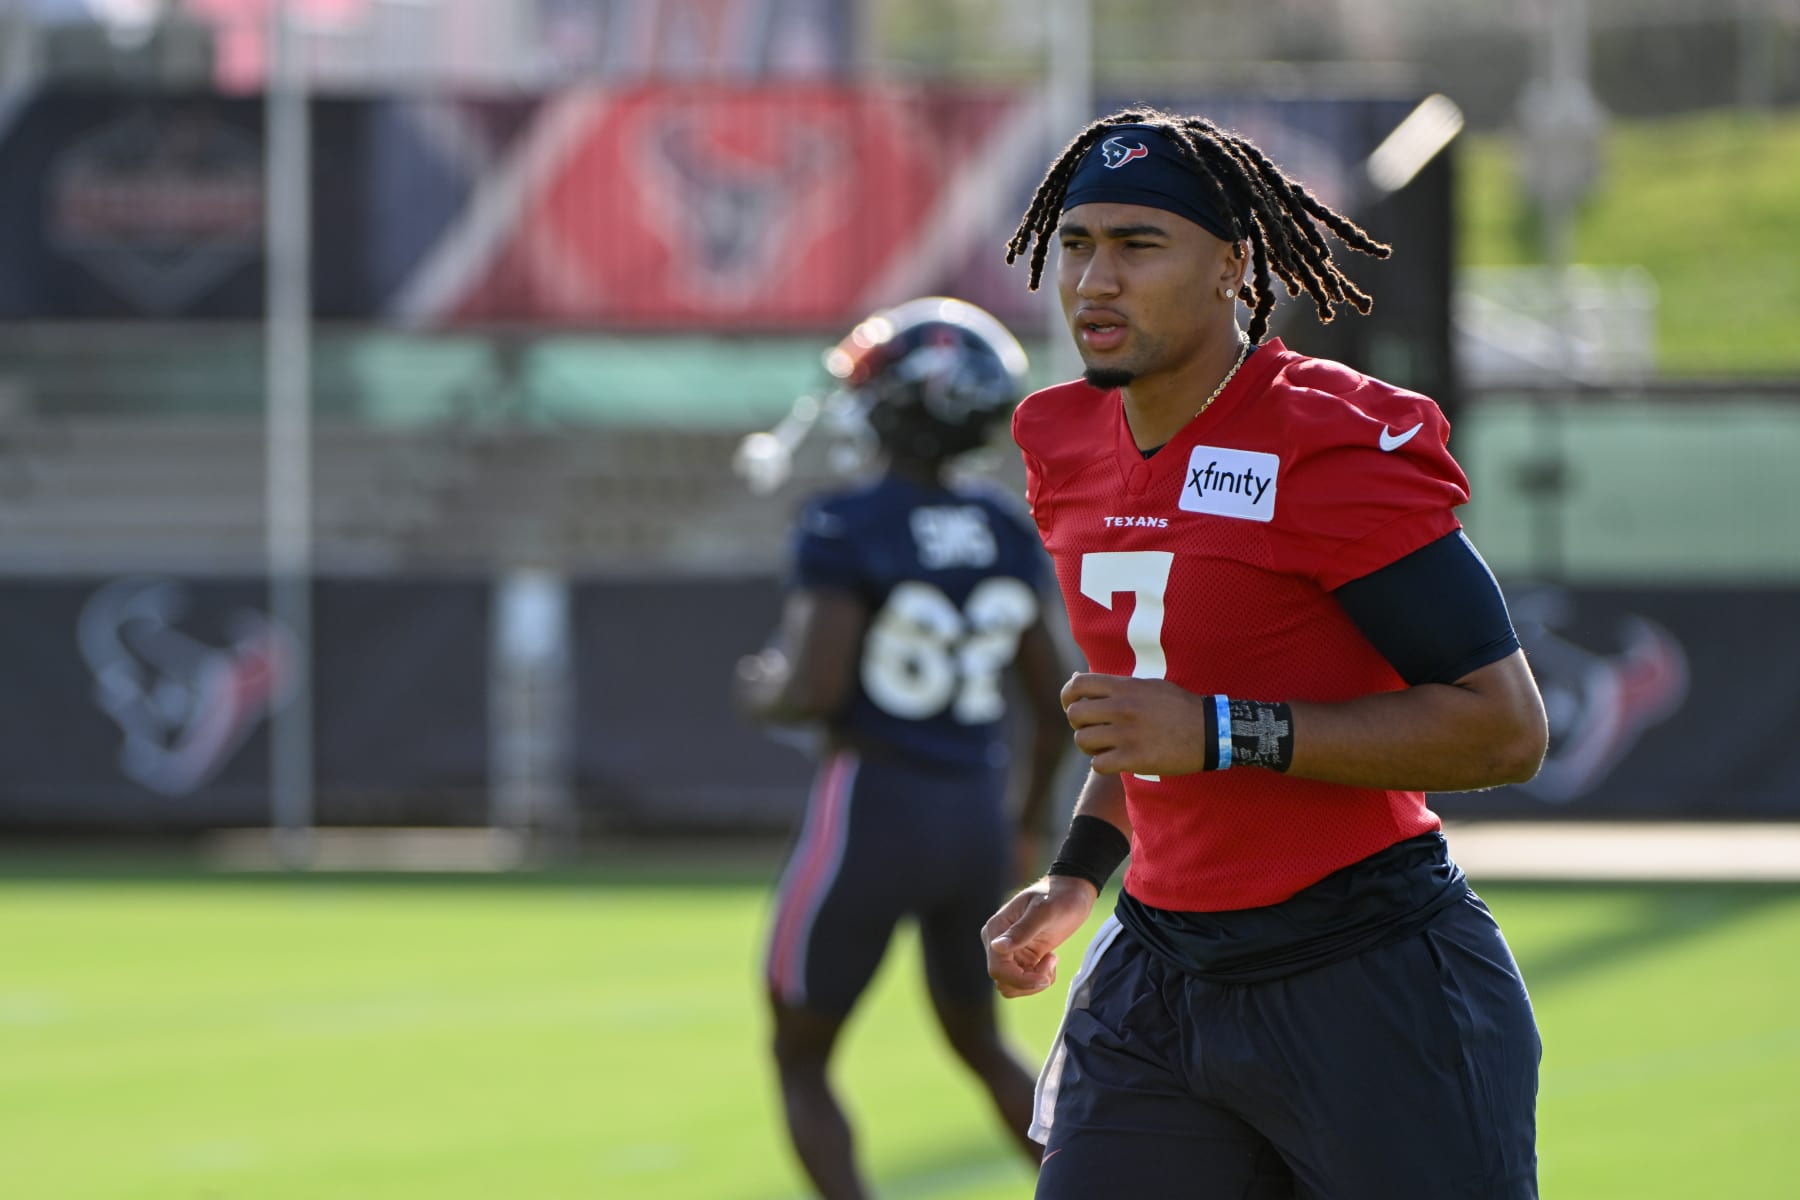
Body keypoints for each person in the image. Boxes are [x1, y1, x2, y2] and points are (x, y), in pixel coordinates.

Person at [981, 108, 1550, 1199]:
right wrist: (1075, 875)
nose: (1096, 280)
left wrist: (1222, 730)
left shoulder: (1327, 439)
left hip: (1366, 973)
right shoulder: (1063, 441)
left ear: (1233, 266)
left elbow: (1505, 727)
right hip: (1162, 970)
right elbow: (1145, 718)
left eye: (1139, 245)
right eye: (1079, 245)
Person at [736, 297, 1071, 1200]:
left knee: (801, 1054)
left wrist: (761, 686)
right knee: (981, 1042)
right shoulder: (1004, 527)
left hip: (874, 807)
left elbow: (812, 687)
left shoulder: (845, 523)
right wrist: (1026, 825)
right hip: (974, 812)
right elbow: (1054, 703)